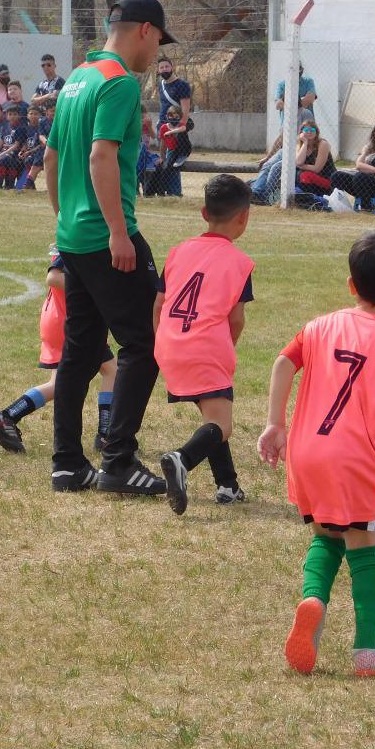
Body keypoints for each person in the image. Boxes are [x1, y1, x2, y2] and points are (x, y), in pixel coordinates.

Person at [259, 231, 375, 678]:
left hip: (307, 451)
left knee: (326, 534)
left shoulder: (319, 326)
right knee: (363, 544)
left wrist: (275, 423)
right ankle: (366, 650)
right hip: (355, 459)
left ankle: (313, 600)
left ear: (351, 285)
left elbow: (281, 363)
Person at [44, 0, 174, 495]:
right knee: (144, 343)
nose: (157, 52)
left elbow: (51, 160)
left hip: (75, 237)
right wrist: (118, 233)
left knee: (79, 351)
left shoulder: (76, 79)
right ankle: (118, 459)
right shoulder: (119, 84)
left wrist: (65, 222)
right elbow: (102, 158)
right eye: (159, 40)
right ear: (144, 30)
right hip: (106, 237)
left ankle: (68, 464)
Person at [155, 175, 255, 514]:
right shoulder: (239, 262)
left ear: (203, 212)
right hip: (207, 346)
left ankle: (227, 485)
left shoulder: (178, 251)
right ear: (244, 217)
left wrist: (162, 340)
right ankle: (181, 459)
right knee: (221, 426)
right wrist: (228, 347)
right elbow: (237, 320)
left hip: (169, 342)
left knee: (213, 418)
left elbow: (158, 304)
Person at [0, 250, 116, 455]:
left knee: (59, 384)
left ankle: (6, 417)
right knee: (110, 370)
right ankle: (106, 436)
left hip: (62, 318)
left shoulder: (82, 238)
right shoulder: (79, 239)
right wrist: (92, 289)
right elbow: (53, 277)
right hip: (70, 321)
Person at [250, 120, 334, 205]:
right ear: (301, 132)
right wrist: (304, 143)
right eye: (306, 130)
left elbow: (317, 168)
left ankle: (265, 197)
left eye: (312, 130)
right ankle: (259, 191)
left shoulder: (322, 144)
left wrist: (301, 166)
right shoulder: (300, 143)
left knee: (294, 173)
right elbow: (299, 161)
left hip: (325, 179)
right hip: (306, 175)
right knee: (276, 167)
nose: (309, 132)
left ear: (316, 132)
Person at [331, 120, 375, 206]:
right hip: (359, 183)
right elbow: (358, 165)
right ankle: (338, 204)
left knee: (360, 176)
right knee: (337, 175)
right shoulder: (368, 147)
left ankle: (366, 207)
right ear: (374, 133)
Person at [261, 62, 318, 162]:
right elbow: (278, 104)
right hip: (287, 120)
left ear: (301, 70)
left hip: (305, 123)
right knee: (283, 144)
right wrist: (295, 105)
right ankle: (269, 159)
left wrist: (291, 104)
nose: (296, 73)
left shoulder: (308, 82)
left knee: (304, 143)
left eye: (298, 70)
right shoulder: (283, 84)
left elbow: (310, 98)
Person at [0, 102, 31, 188]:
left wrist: (0, 155)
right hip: (4, 153)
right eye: (10, 114)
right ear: (6, 116)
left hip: (14, 155)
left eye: (15, 114)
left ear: (19, 116)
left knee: (3, 159)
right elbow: (1, 142)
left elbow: (16, 146)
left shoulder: (20, 128)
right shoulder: (5, 127)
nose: (12, 116)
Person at [152, 103, 192, 197]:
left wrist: (171, 132)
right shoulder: (163, 127)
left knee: (175, 168)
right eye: (171, 116)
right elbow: (163, 144)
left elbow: (183, 128)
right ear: (167, 116)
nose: (173, 118)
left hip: (182, 149)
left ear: (180, 117)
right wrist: (162, 157)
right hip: (171, 151)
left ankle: (176, 192)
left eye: (176, 116)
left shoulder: (181, 126)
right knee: (168, 168)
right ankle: (164, 191)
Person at [19, 105, 50, 189]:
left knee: (30, 160)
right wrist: (22, 151)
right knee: (25, 161)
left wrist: (29, 152)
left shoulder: (42, 126)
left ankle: (27, 184)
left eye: (36, 114)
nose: (33, 116)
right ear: (27, 115)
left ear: (40, 115)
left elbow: (41, 144)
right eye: (31, 113)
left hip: (39, 151)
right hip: (30, 152)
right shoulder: (26, 128)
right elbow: (25, 142)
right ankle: (28, 185)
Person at [156, 56, 192, 127]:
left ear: (172, 67)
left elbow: (185, 110)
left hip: (175, 126)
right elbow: (163, 105)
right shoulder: (160, 85)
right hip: (162, 125)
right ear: (158, 70)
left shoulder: (182, 84)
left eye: (167, 66)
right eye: (161, 67)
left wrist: (180, 126)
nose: (164, 69)